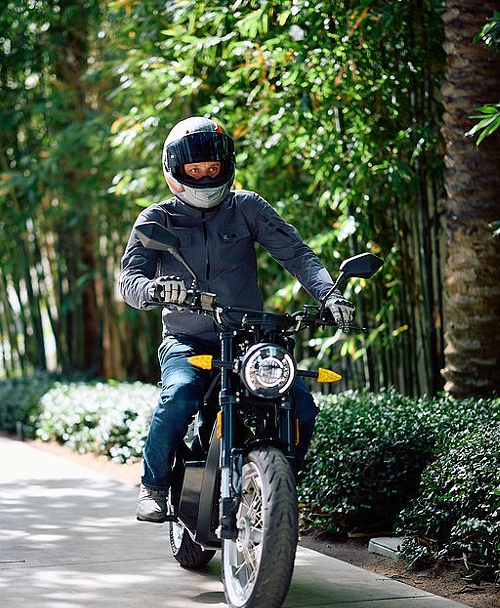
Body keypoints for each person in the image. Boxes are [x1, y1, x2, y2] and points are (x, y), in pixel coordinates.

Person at [117, 116, 354, 522]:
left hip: (247, 336)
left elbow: (297, 255)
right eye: (195, 170)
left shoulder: (247, 207)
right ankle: (153, 485)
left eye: (212, 169)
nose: (205, 177)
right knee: (180, 395)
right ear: (176, 172)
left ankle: (276, 488)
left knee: (301, 406)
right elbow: (130, 280)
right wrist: (155, 290)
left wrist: (330, 294)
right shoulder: (156, 219)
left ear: (226, 167)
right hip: (187, 341)